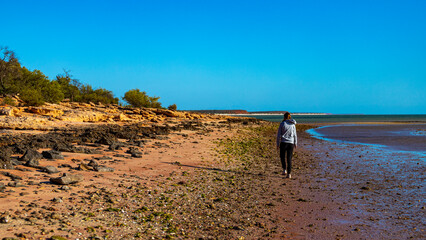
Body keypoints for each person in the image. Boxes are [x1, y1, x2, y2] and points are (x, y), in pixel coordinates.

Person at [276, 112, 297, 178]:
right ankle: (289, 174)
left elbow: (279, 135)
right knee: (289, 158)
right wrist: (295, 143)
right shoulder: (293, 125)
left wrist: (277, 144)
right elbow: (295, 135)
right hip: (291, 143)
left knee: (282, 157)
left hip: (283, 143)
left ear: (284, 117)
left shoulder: (282, 124)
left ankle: (284, 169)